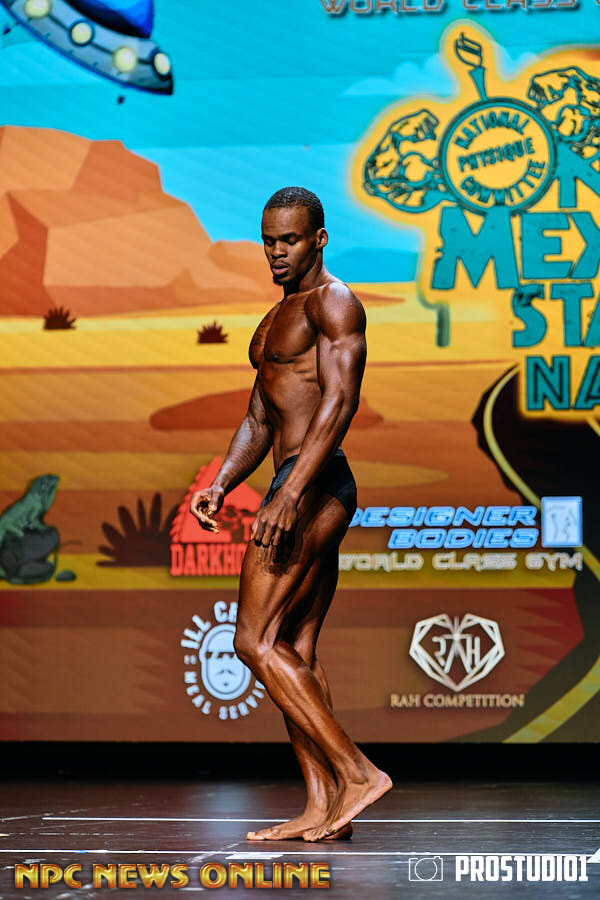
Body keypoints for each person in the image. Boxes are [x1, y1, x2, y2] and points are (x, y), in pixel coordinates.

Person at [190, 187, 391, 842]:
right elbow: (258, 417)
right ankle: (322, 805)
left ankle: (357, 774)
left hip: (312, 485)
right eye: (269, 240)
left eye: (291, 240)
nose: (277, 251)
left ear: (319, 239)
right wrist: (223, 482)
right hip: (294, 482)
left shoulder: (334, 302)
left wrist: (288, 494)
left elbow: (340, 402)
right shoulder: (278, 316)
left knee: (252, 640)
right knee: (293, 648)